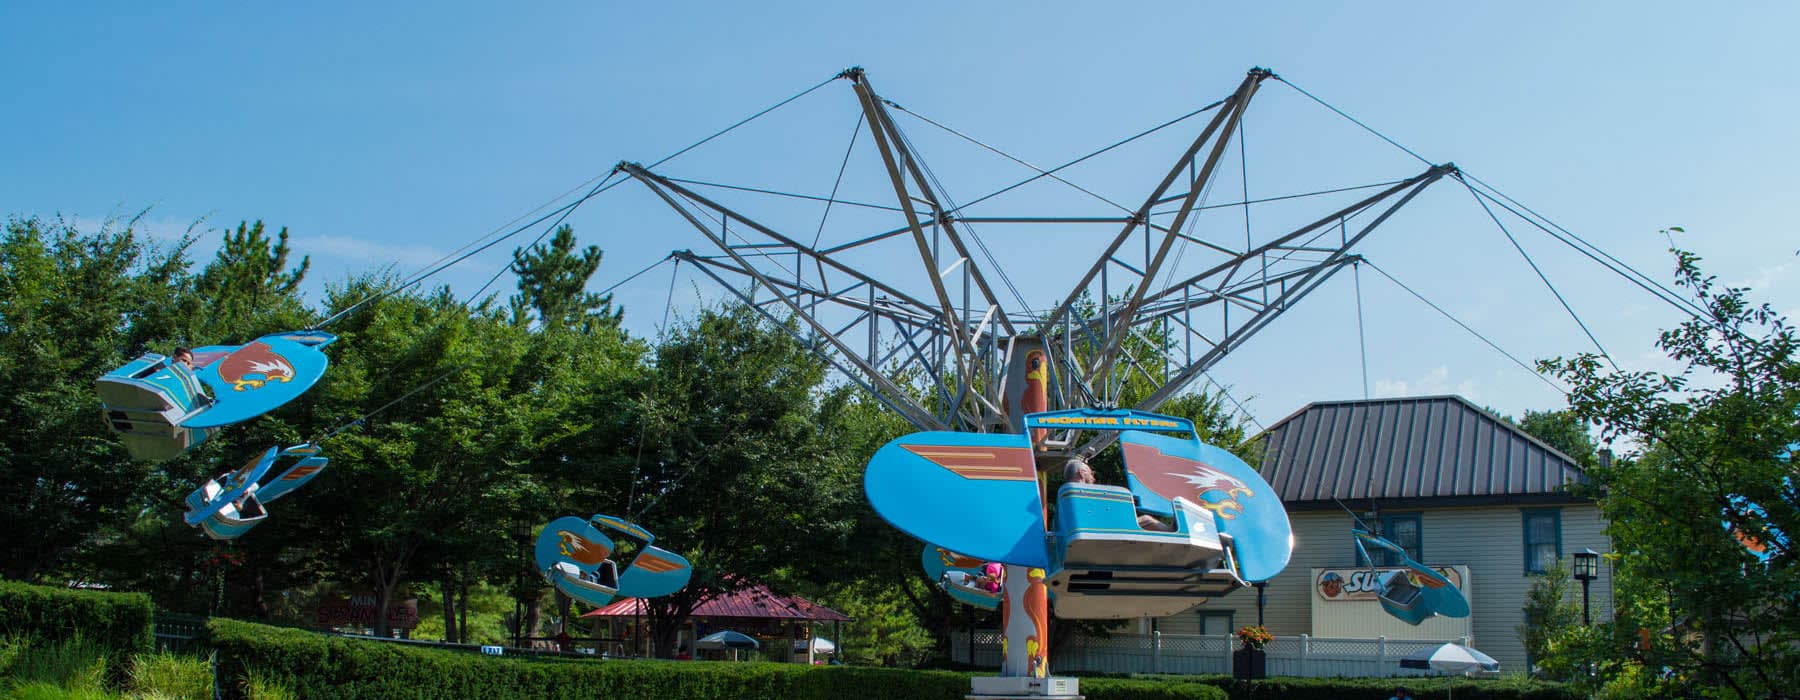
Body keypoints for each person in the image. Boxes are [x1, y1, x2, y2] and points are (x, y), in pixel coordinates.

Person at [1063, 457, 1175, 532]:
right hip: (1101, 529)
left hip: (1096, 528)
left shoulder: (1066, 496)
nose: (1093, 477)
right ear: (1082, 473)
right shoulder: (1081, 492)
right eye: (1091, 473)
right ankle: (1173, 534)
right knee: (1147, 520)